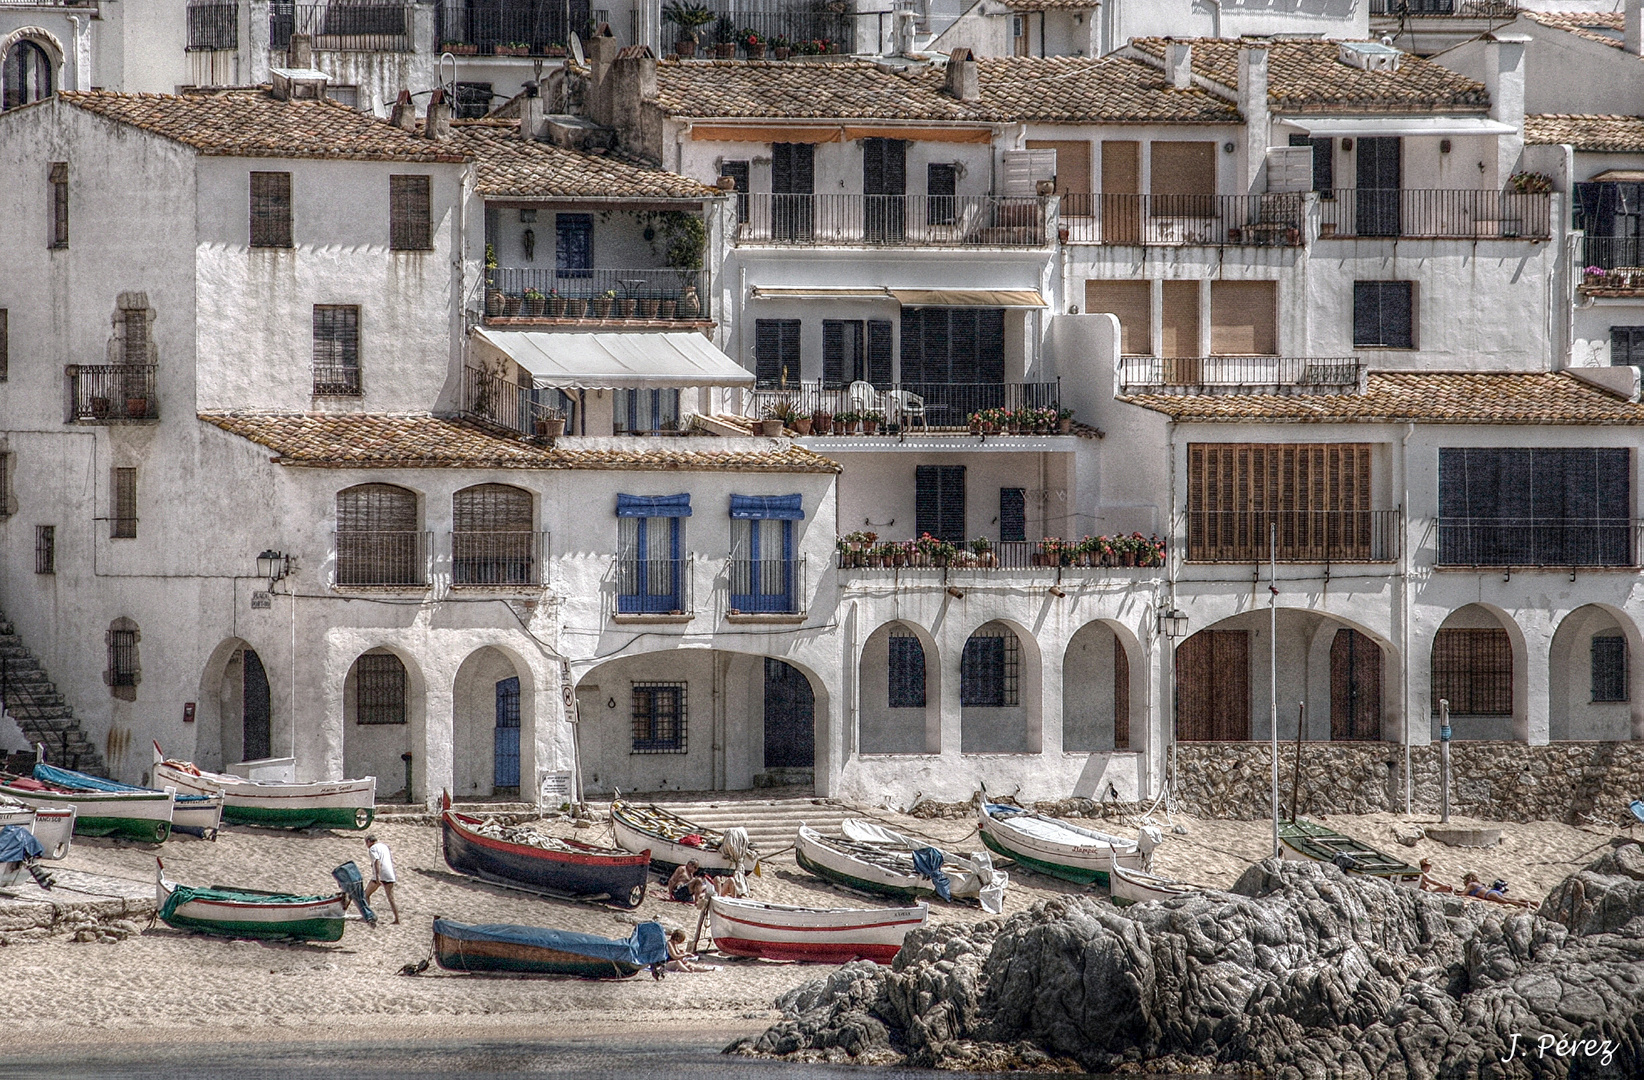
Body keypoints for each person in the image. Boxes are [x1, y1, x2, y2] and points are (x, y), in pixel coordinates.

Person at [364, 834, 400, 924]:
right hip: (389, 873)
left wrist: (377, 876)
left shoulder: (372, 849)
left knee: (366, 895)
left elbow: (377, 861)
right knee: (391, 898)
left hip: (380, 874)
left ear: (368, 842)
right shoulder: (384, 846)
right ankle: (397, 919)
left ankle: (367, 916)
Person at [1461, 871, 1537, 910]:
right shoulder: (1478, 883)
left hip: (1489, 895)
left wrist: (1455, 893)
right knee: (1509, 899)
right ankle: (1532, 902)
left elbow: (1463, 894)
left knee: (1506, 901)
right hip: (1493, 892)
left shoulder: (1470, 885)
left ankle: (1524, 904)